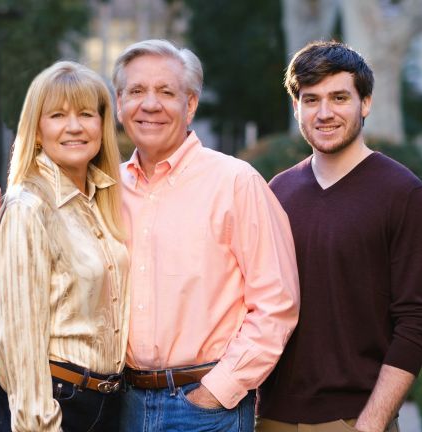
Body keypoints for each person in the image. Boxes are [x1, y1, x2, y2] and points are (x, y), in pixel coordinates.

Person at [112, 39, 300, 432]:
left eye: (166, 92)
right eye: (136, 91)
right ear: (119, 102)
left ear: (190, 105)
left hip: (204, 408)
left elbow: (276, 302)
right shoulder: (106, 188)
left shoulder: (235, 182)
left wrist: (219, 389)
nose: (149, 105)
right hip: (119, 404)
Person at [256, 41, 422, 432]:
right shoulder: (278, 191)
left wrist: (372, 422)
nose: (324, 113)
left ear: (366, 103)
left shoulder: (403, 194)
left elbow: (416, 321)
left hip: (354, 418)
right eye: (311, 100)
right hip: (270, 417)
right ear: (296, 107)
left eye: (339, 97)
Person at [0, 61, 129, 432]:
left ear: (101, 125)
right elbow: (18, 339)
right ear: (37, 130)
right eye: (57, 115)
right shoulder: (28, 207)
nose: (74, 126)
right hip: (55, 405)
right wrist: (40, 422)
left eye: (86, 114)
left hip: (107, 404)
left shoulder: (101, 201)